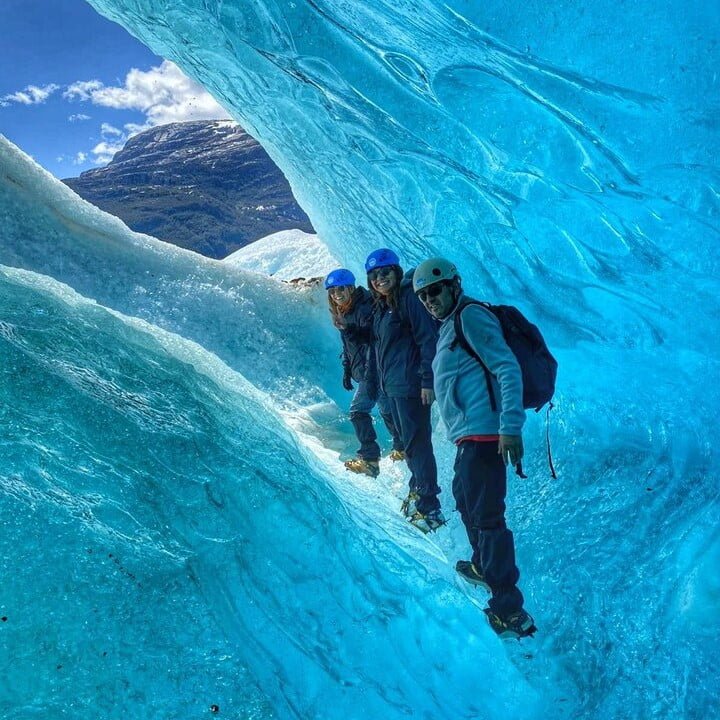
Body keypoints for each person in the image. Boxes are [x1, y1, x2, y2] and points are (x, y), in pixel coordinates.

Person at [413, 257, 536, 639]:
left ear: (454, 284)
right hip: (470, 436)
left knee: (488, 520)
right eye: (422, 296)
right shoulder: (450, 325)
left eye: (435, 290)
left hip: (485, 436)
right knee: (465, 501)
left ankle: (509, 609)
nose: (429, 300)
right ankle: (484, 566)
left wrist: (510, 427)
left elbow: (507, 367)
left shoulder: (470, 316)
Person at [364, 249, 445, 532]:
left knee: (417, 444)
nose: (380, 278)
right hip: (394, 387)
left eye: (385, 272)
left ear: (396, 272)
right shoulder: (384, 306)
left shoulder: (409, 298)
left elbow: (427, 339)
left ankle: (430, 507)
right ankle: (418, 489)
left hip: (411, 386)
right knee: (408, 443)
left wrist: (427, 381)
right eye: (374, 275)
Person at [325, 268, 404, 478]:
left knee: (358, 410)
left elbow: (373, 340)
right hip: (370, 371)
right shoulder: (348, 310)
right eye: (332, 291)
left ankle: (369, 459)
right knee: (386, 407)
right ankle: (402, 447)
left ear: (351, 287)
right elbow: (351, 346)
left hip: (375, 370)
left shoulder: (365, 306)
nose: (336, 294)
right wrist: (347, 369)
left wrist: (370, 375)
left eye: (340, 289)